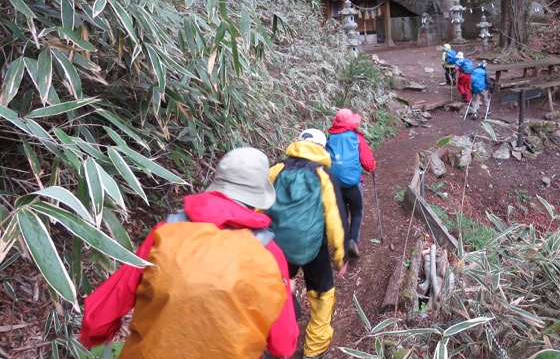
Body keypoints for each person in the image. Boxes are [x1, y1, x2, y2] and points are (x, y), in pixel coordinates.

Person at [79, 148, 299, 359]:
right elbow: (283, 344)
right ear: (257, 198)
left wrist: (95, 334)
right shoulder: (268, 253)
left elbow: (103, 310)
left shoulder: (166, 231)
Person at [269, 129, 348, 359]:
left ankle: (274, 341)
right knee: (323, 292)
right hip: (313, 246)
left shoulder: (276, 169)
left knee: (277, 290)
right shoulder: (323, 173)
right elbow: (335, 216)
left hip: (277, 248)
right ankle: (315, 349)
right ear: (322, 148)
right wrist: (341, 255)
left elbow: (258, 205)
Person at [326, 108, 376, 259]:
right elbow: (368, 163)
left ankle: (343, 243)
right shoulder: (356, 138)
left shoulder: (329, 140)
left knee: (342, 215)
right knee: (357, 213)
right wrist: (372, 167)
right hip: (353, 185)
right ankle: (353, 240)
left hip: (334, 186)